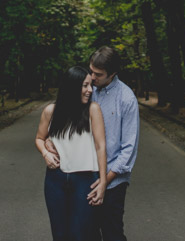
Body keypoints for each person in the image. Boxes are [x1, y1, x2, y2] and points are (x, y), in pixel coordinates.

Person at [48, 47, 140, 241]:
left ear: (112, 74)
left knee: (112, 232)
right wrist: (49, 140)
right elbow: (66, 121)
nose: (92, 77)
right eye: (91, 71)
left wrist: (106, 180)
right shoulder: (87, 90)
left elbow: (129, 150)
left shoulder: (126, 99)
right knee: (86, 233)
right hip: (85, 178)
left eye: (98, 74)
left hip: (113, 180)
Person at [36, 66, 108, 241]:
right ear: (72, 87)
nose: (90, 90)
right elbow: (39, 138)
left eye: (90, 85)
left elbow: (101, 146)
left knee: (80, 234)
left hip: (85, 181)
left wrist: (103, 182)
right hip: (55, 180)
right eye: (85, 86)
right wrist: (45, 153)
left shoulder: (93, 109)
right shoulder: (50, 111)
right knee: (60, 235)